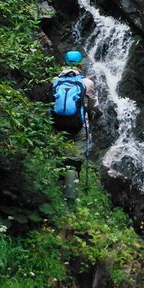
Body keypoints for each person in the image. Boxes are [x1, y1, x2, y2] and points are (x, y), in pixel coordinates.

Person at [52, 50, 99, 202]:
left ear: (64, 63)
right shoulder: (87, 83)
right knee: (73, 161)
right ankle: (70, 199)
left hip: (57, 124)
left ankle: (55, 192)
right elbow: (92, 105)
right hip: (78, 125)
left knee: (59, 156)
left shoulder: (55, 81)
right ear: (80, 64)